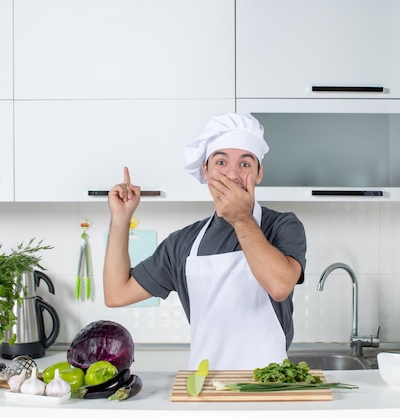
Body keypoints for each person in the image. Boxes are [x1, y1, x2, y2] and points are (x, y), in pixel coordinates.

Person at [103, 112, 307, 370]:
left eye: (245, 164)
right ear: (206, 170)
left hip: (270, 386)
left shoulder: (282, 226)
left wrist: (241, 218)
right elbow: (116, 293)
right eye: (221, 162)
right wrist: (120, 220)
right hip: (206, 387)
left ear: (259, 173)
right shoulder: (182, 243)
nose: (232, 175)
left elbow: (279, 285)